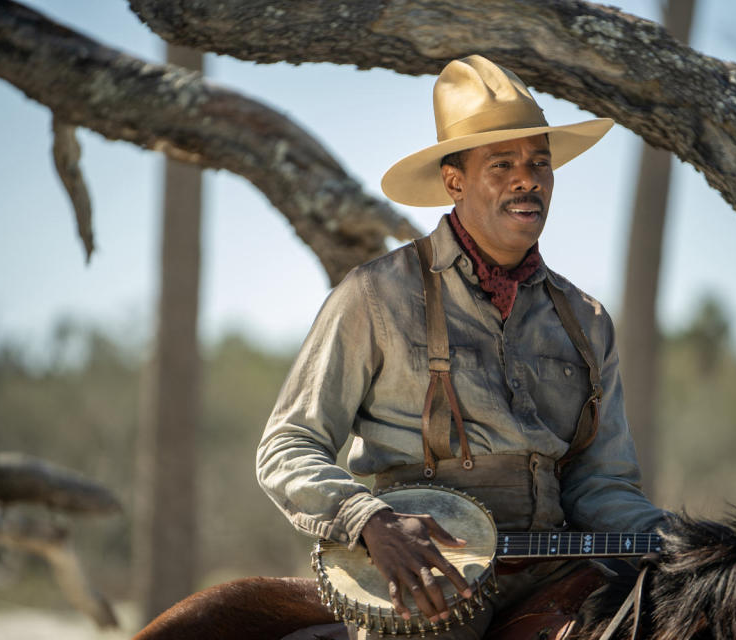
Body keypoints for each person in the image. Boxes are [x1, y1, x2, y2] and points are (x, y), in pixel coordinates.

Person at [257, 55, 668, 640]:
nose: (528, 179)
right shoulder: (376, 296)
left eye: (540, 164)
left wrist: (681, 541)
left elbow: (602, 485)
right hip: (426, 574)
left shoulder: (586, 321)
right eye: (503, 164)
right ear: (454, 182)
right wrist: (370, 519)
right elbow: (287, 444)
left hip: (557, 567)